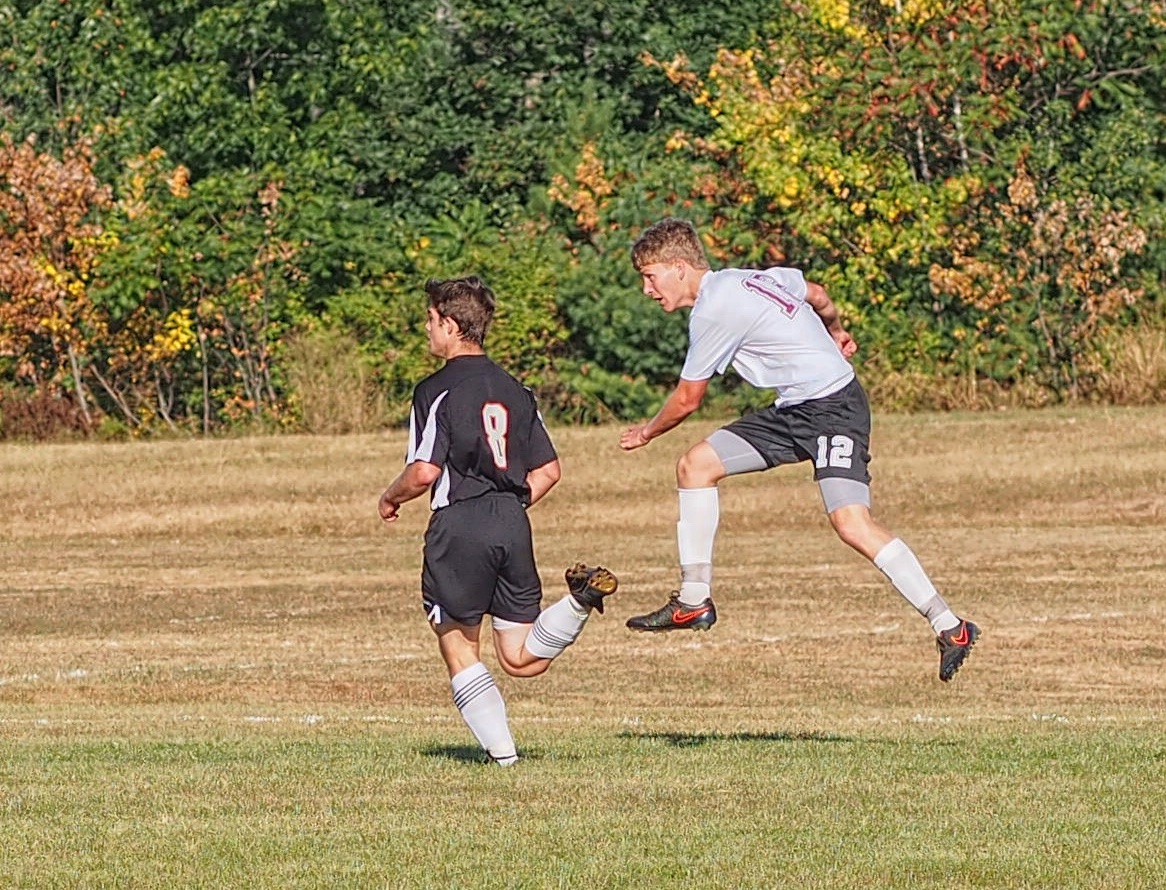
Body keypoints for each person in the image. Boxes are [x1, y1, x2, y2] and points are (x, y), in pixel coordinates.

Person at [617, 218, 979, 682]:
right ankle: (693, 601)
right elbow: (819, 295)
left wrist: (646, 433)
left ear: (678, 267)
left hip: (833, 408)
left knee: (851, 523)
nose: (647, 289)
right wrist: (837, 332)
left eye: (650, 277)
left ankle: (951, 627)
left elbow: (688, 399)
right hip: (794, 410)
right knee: (695, 466)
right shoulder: (748, 277)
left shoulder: (712, 310)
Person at [379, 276, 618, 765]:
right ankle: (579, 601)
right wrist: (506, 506)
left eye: (430, 320)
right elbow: (549, 471)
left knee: (459, 645)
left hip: (460, 524)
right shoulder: (517, 389)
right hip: (512, 521)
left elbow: (424, 471)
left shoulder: (435, 390)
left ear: (451, 325)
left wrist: (389, 497)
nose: (427, 329)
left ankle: (504, 759)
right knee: (521, 658)